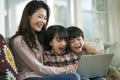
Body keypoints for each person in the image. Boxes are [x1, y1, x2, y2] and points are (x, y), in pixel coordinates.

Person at [9, 1, 80, 80]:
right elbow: (39, 68)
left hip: (44, 76)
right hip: (30, 77)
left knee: (86, 78)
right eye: (40, 17)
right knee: (73, 76)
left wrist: (86, 46)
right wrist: (67, 69)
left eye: (45, 18)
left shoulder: (40, 36)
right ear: (28, 16)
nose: (43, 21)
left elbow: (63, 37)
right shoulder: (19, 42)